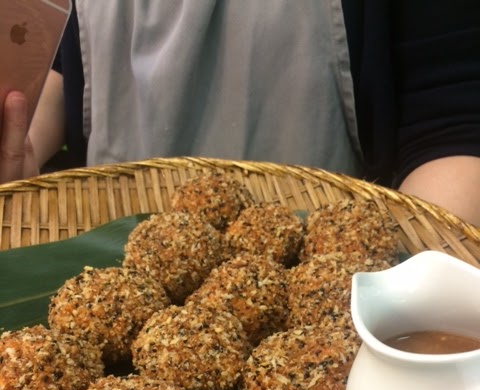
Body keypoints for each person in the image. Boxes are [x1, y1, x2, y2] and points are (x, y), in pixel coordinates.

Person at [1, 0, 480, 225]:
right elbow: (78, 58)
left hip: (325, 301)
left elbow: (453, 128)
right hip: (101, 248)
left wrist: (399, 294)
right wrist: (23, 146)